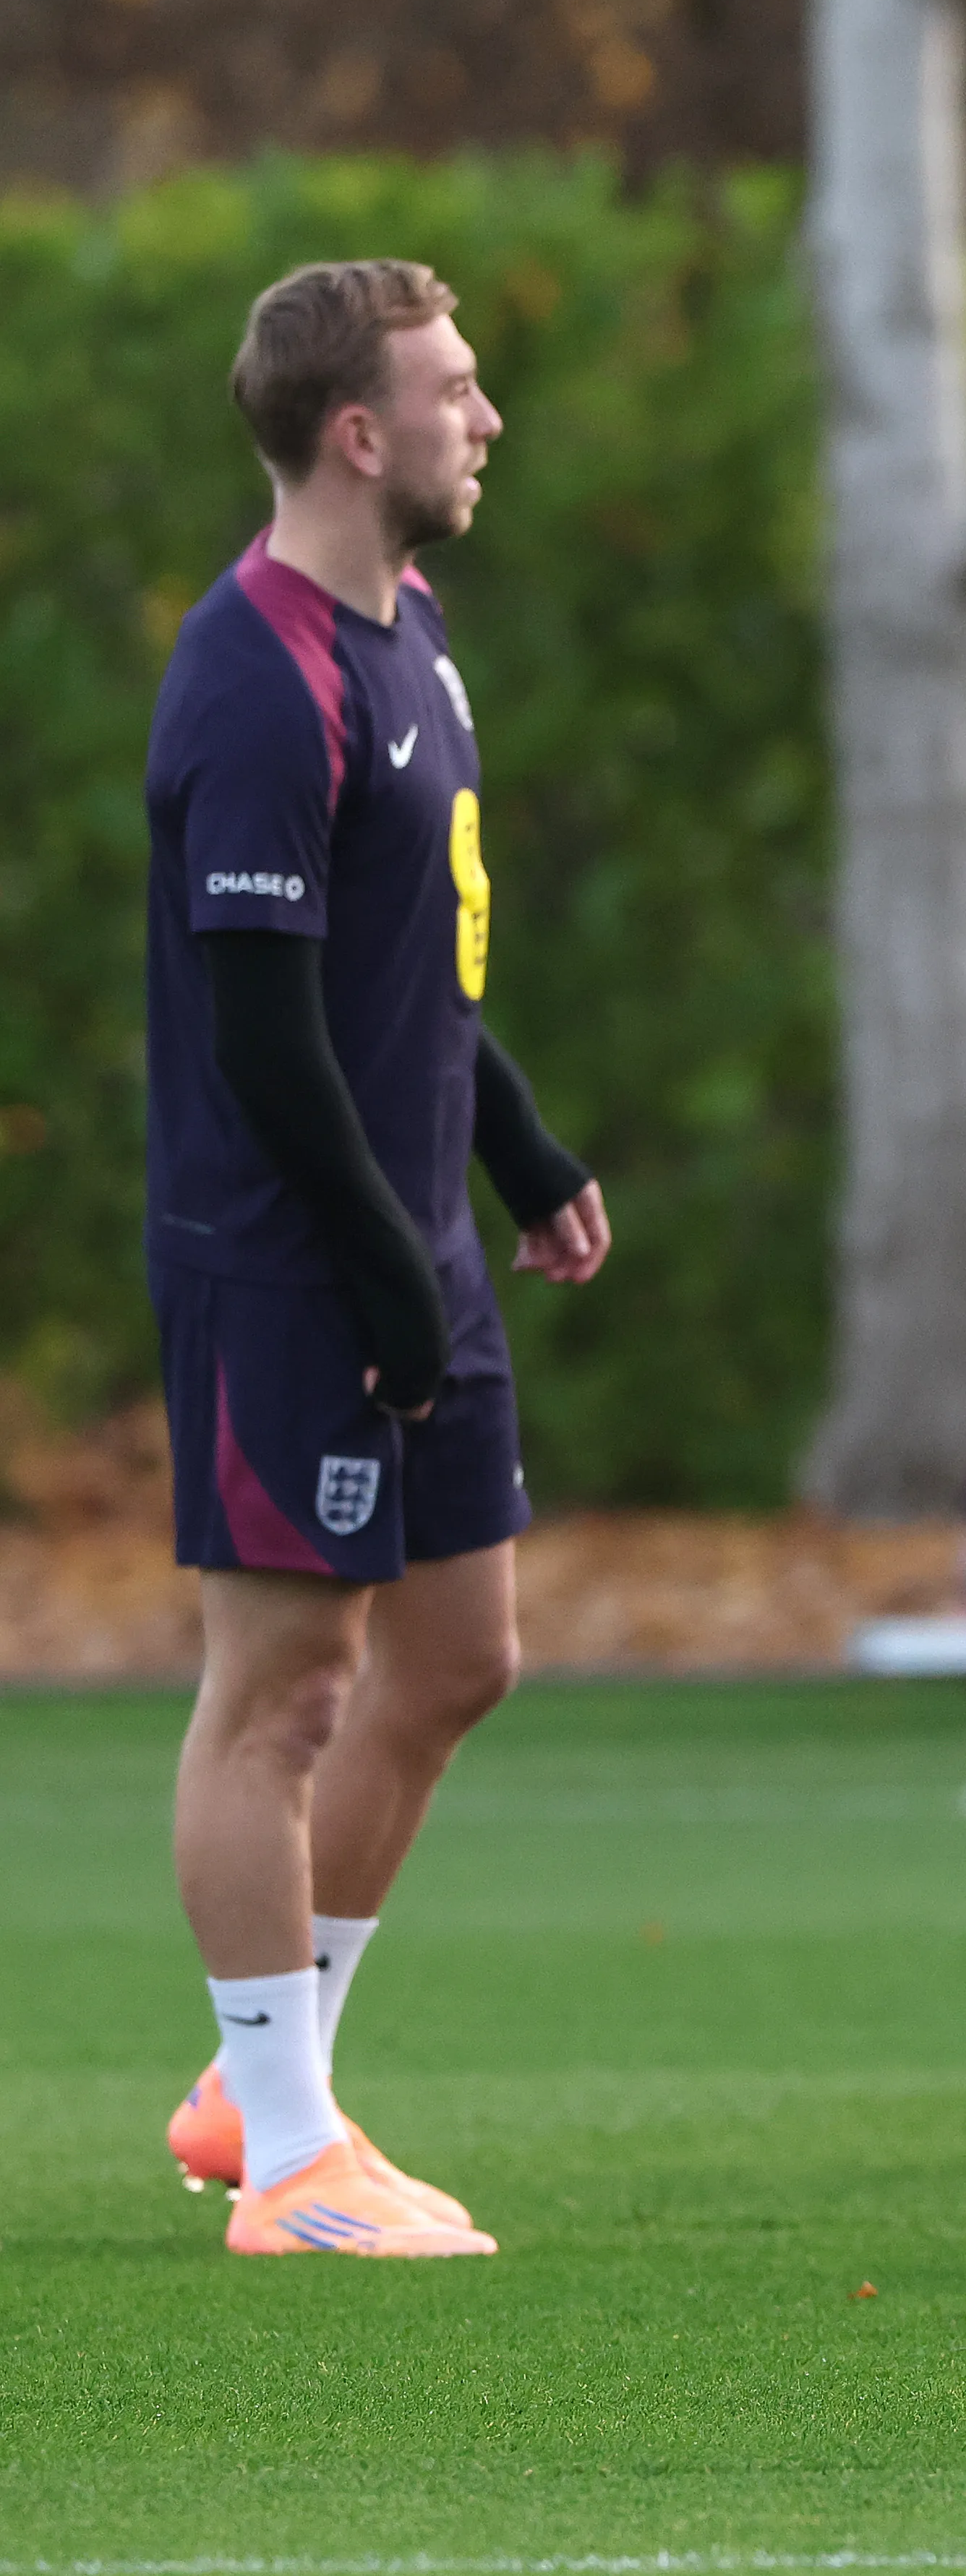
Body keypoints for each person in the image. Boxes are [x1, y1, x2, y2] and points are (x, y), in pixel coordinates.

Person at [148, 258, 612, 2255]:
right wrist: (379, 1270)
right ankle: (289, 2154)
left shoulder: (412, 630)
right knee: (284, 1688)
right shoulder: (254, 676)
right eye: (455, 388)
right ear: (359, 431)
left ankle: (269, 2086)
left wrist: (515, 1153)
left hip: (413, 1232)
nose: (484, 418)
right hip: (292, 1257)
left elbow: (413, 966)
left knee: (456, 1656)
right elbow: (263, 1037)